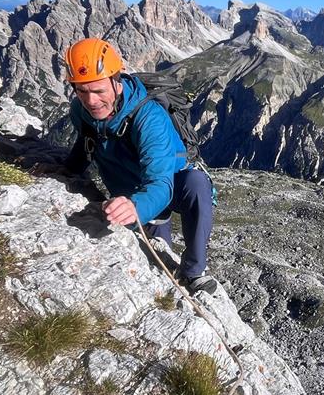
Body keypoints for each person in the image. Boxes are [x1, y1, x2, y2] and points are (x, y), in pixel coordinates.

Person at [61, 37, 218, 295]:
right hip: (130, 191)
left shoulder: (149, 118)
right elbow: (86, 141)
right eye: (82, 90)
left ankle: (194, 272)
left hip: (166, 184)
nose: (91, 101)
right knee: (157, 268)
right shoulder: (80, 110)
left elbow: (160, 183)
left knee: (197, 184)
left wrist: (136, 207)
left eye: (99, 90)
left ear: (117, 84)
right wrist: (67, 168)